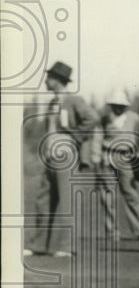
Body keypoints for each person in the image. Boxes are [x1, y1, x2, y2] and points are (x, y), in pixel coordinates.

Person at [25, 61, 99, 257]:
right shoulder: (52, 103)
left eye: (49, 77)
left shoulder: (74, 100)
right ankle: (39, 244)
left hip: (66, 154)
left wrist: (73, 136)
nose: (46, 81)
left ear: (57, 81)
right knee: (43, 199)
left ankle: (67, 247)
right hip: (51, 155)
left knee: (68, 200)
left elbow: (92, 118)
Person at [97, 89, 139, 241]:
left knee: (131, 193)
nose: (118, 108)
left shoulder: (134, 118)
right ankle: (111, 232)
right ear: (111, 105)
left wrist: (138, 155)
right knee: (107, 196)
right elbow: (98, 138)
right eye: (115, 105)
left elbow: (137, 136)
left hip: (126, 158)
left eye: (121, 105)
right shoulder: (104, 119)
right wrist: (99, 158)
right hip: (107, 156)